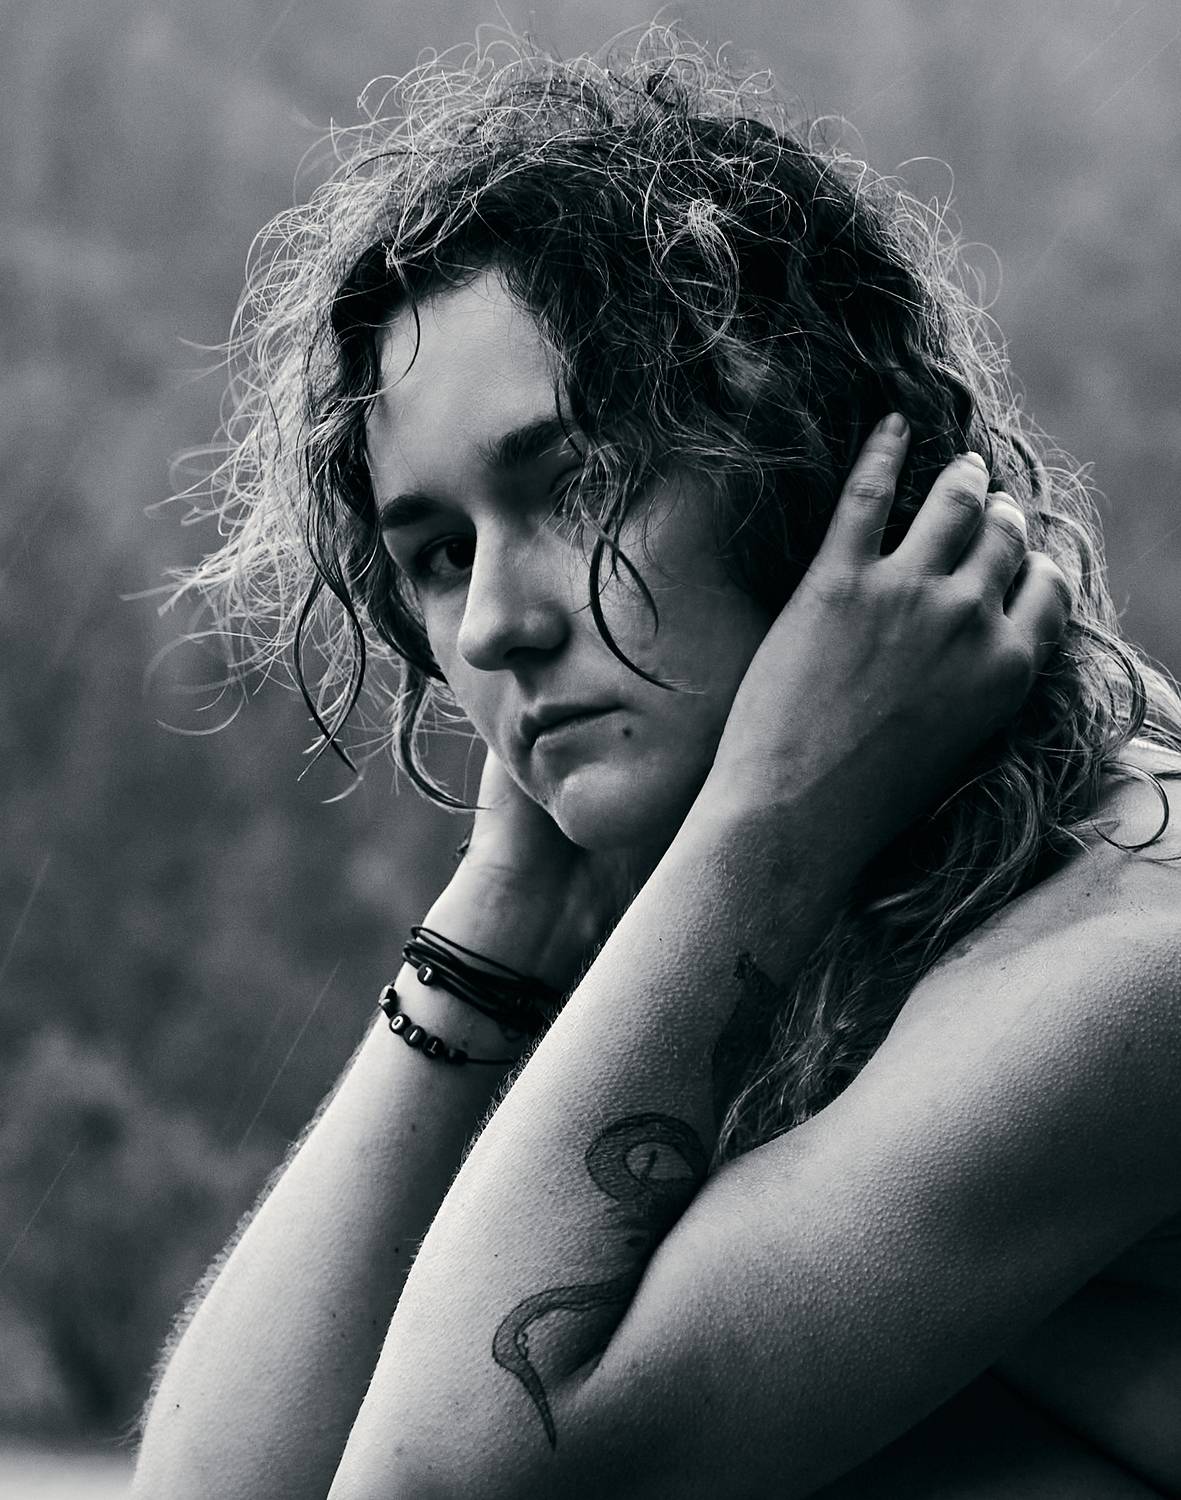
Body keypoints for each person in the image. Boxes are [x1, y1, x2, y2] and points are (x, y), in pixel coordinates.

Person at [132, 28, 1181, 1500]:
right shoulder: (801, 938)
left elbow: (442, 1481)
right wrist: (504, 904)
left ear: (801, 462)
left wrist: (771, 816)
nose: (490, 625)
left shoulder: (1128, 957)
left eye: (573, 487)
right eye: (438, 553)